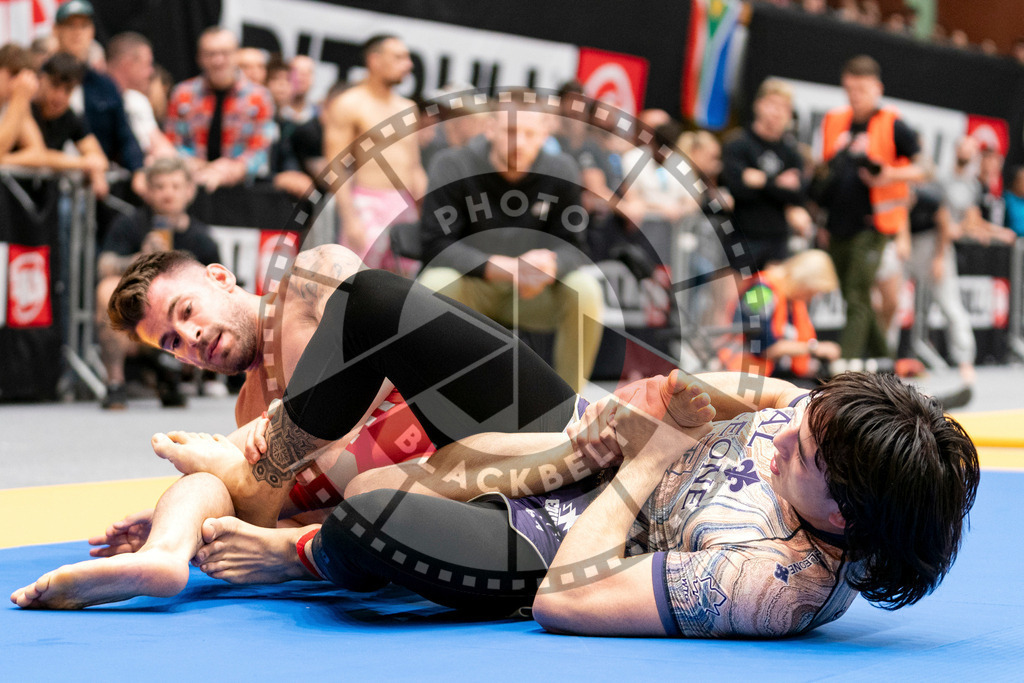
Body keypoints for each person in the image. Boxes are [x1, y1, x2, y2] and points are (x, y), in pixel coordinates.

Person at [417, 92, 604, 392]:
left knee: (586, 289)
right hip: (472, 286)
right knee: (434, 283)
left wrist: (551, 264)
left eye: (530, 133)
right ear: (490, 129)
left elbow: (577, 246)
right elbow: (434, 244)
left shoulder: (562, 170)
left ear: (544, 134)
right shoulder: (453, 164)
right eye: (510, 131)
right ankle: (420, 396)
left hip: (533, 292)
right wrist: (502, 267)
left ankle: (569, 407)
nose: (519, 143)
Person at [814, 55, 927, 360]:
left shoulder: (892, 124)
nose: (855, 96)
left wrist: (889, 174)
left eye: (862, 89)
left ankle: (844, 368)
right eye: (850, 89)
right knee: (854, 294)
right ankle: (884, 362)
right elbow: (826, 173)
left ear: (877, 88)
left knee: (857, 292)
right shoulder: (835, 121)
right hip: (837, 223)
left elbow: (925, 168)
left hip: (874, 223)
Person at [95, 158, 220, 409]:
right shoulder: (131, 224)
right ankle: (115, 384)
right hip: (137, 319)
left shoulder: (201, 238)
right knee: (107, 289)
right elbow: (104, 265)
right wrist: (140, 259)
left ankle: (178, 375)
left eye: (175, 186)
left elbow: (219, 288)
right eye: (161, 187)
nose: (168, 194)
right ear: (148, 191)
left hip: (182, 320)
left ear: (189, 191)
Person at [323, 35, 426, 265]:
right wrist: (349, 217)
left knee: (402, 287)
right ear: (375, 60)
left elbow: (414, 165)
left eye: (408, 58)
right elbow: (336, 165)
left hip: (405, 206)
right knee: (357, 282)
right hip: (366, 204)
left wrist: (426, 211)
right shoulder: (349, 104)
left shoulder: (408, 108)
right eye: (399, 57)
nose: (408, 65)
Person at [164, 27, 275, 192]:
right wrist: (196, 166)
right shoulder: (182, 94)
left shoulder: (260, 97)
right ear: (199, 58)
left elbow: (260, 150)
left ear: (237, 55)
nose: (218, 60)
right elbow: (172, 143)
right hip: (191, 186)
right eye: (210, 54)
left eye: (225, 53)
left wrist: (232, 169)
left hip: (241, 190)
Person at [721, 78, 811, 270]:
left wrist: (761, 180)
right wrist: (778, 184)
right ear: (758, 104)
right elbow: (738, 188)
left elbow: (798, 194)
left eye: (784, 107)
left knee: (767, 298)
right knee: (736, 298)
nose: (777, 112)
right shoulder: (738, 144)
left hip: (777, 241)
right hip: (742, 237)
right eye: (772, 104)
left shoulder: (792, 153)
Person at [51, 0, 144, 183]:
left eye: (84, 26)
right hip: (48, 182)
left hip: (93, 187)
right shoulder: (41, 79)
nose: (77, 33)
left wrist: (138, 171)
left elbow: (124, 134)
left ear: (92, 31)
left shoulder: (104, 85)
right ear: (56, 30)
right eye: (70, 26)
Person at [719, 249, 841, 382]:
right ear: (804, 281)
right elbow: (765, 349)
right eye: (812, 292)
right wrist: (816, 348)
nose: (811, 298)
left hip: (770, 376)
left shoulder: (790, 300)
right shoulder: (762, 292)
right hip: (743, 376)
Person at [104, 32, 174, 160]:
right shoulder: (93, 100)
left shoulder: (137, 100)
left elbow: (164, 148)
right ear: (127, 65)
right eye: (147, 64)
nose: (151, 71)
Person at [0, 43, 43, 161]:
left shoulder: (15, 104)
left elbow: (37, 153)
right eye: (13, 74)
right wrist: (18, 100)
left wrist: (4, 160)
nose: (19, 83)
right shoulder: (17, 102)